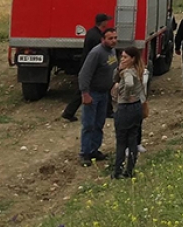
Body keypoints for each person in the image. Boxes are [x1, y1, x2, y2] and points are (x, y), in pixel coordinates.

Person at [77, 28, 119, 166]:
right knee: (89, 124)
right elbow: (84, 74)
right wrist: (85, 93)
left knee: (99, 123)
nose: (113, 40)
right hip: (93, 94)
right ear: (103, 40)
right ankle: (85, 153)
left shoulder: (112, 51)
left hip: (104, 94)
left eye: (115, 37)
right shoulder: (96, 53)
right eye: (110, 38)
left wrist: (113, 84)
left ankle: (95, 150)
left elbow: (113, 70)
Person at [62, 13, 111, 122]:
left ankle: (69, 112)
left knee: (82, 89)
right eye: (107, 21)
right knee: (86, 89)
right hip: (91, 67)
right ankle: (69, 112)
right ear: (103, 22)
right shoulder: (97, 37)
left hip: (86, 64)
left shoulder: (91, 32)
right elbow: (97, 54)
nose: (108, 23)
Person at [111, 47, 145, 179]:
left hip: (125, 108)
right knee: (132, 139)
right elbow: (116, 78)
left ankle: (117, 170)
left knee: (121, 141)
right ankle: (130, 169)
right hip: (136, 107)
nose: (122, 59)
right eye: (122, 56)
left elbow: (129, 84)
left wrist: (124, 94)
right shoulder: (138, 70)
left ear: (133, 59)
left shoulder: (128, 72)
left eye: (125, 57)